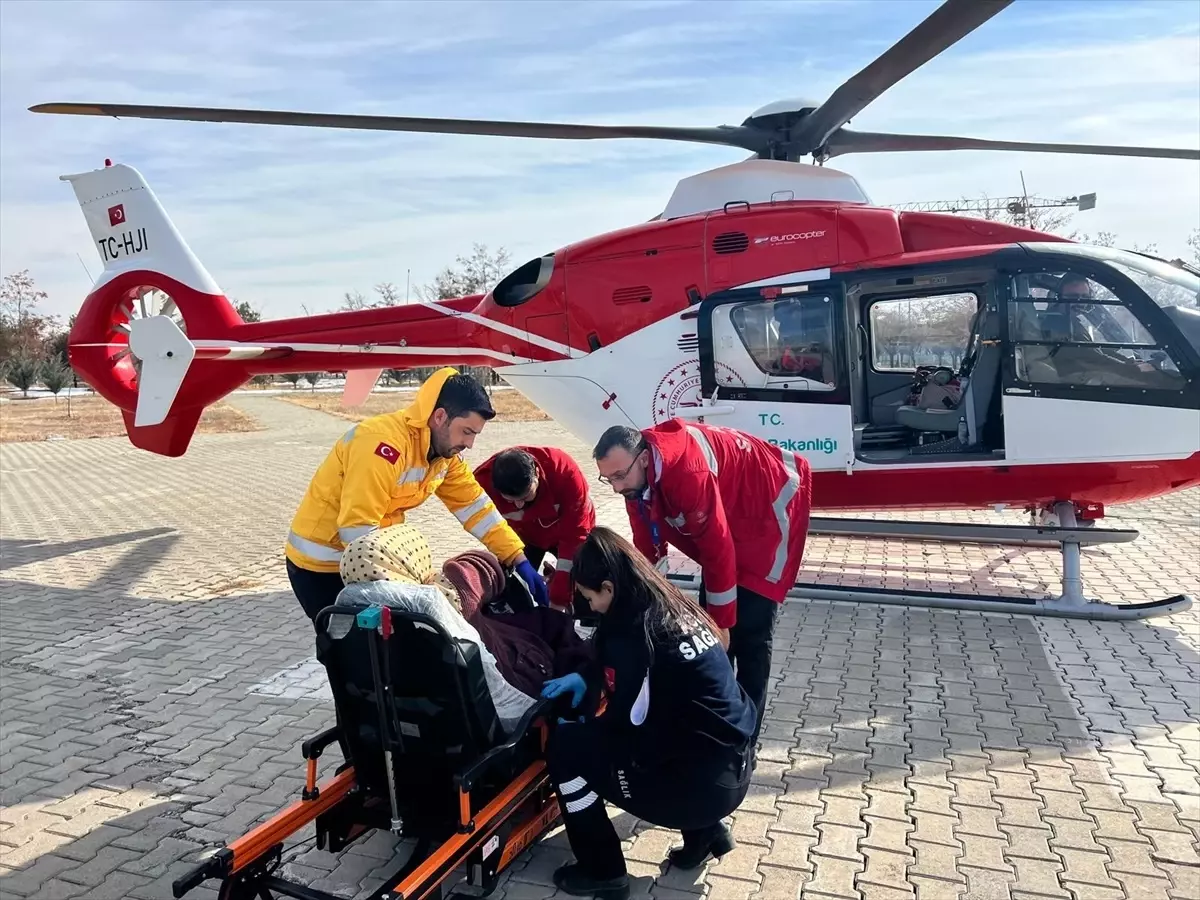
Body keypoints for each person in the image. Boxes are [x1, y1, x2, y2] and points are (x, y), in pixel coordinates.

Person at [540, 527, 756, 898]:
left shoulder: (639, 638)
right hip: (735, 771)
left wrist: (578, 731)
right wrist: (586, 675)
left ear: (608, 588)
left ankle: (602, 870)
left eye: (589, 597)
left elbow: (625, 728)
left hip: (697, 791)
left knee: (566, 749)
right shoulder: (674, 605)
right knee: (683, 732)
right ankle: (705, 834)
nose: (591, 606)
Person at [591, 419, 812, 752]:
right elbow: (645, 541)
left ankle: (744, 743)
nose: (616, 488)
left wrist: (722, 623)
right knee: (713, 634)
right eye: (608, 479)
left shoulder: (687, 472)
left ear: (644, 459)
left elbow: (717, 547)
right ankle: (718, 721)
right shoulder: (635, 476)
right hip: (729, 509)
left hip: (766, 507)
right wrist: (645, 602)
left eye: (620, 477)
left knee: (748, 635)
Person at [284, 366, 549, 622]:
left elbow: (477, 509)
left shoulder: (443, 457)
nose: (469, 444)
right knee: (351, 647)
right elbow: (357, 531)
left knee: (389, 645)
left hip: (368, 558)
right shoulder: (382, 446)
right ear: (440, 417)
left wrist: (518, 558)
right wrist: (403, 585)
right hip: (320, 567)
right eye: (466, 432)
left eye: (475, 435)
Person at [473, 445, 596, 611]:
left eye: (526, 497)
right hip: (523, 537)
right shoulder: (480, 484)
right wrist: (517, 559)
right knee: (511, 588)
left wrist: (559, 598)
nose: (519, 505)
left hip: (567, 534)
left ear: (537, 473)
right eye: (510, 500)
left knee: (585, 580)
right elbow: (490, 529)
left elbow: (575, 536)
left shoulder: (564, 473)